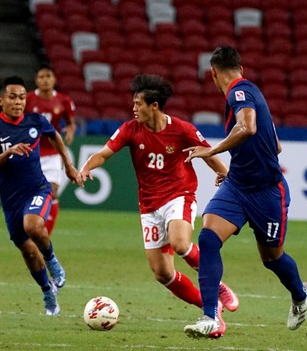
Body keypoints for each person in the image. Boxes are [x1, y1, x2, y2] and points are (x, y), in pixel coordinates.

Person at [76, 74, 240, 327]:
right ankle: (211, 307)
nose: (133, 108)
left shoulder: (183, 129)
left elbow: (207, 153)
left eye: (138, 103)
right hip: (149, 206)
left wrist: (225, 175)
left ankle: (217, 287)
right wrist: (87, 166)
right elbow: (104, 153)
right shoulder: (130, 129)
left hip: (179, 195)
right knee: (162, 274)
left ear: (154, 105)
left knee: (180, 243)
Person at [182, 46, 307, 339]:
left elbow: (248, 127)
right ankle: (210, 316)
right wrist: (240, 162)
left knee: (272, 258)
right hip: (238, 185)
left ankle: (300, 293)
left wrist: (211, 150)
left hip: (267, 192)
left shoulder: (238, 92)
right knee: (208, 237)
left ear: (213, 72)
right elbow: (275, 145)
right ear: (241, 67)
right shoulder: (253, 92)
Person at [0, 76, 81, 315]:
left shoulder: (36, 121)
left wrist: (67, 165)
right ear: (1, 100)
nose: (18, 102)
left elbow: (54, 135)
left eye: (22, 97)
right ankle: (47, 291)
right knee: (28, 251)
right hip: (11, 201)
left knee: (33, 225)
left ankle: (53, 262)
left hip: (38, 189)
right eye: (13, 97)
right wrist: (9, 153)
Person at [24, 67, 76, 281]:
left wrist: (70, 130)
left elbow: (71, 121)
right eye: (41, 77)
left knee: (52, 192)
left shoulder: (63, 100)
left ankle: (46, 234)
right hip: (32, 152)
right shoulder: (27, 99)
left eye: (48, 77)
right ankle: (35, 226)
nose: (45, 80)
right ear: (36, 80)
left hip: (53, 153)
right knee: (31, 195)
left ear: (54, 79)